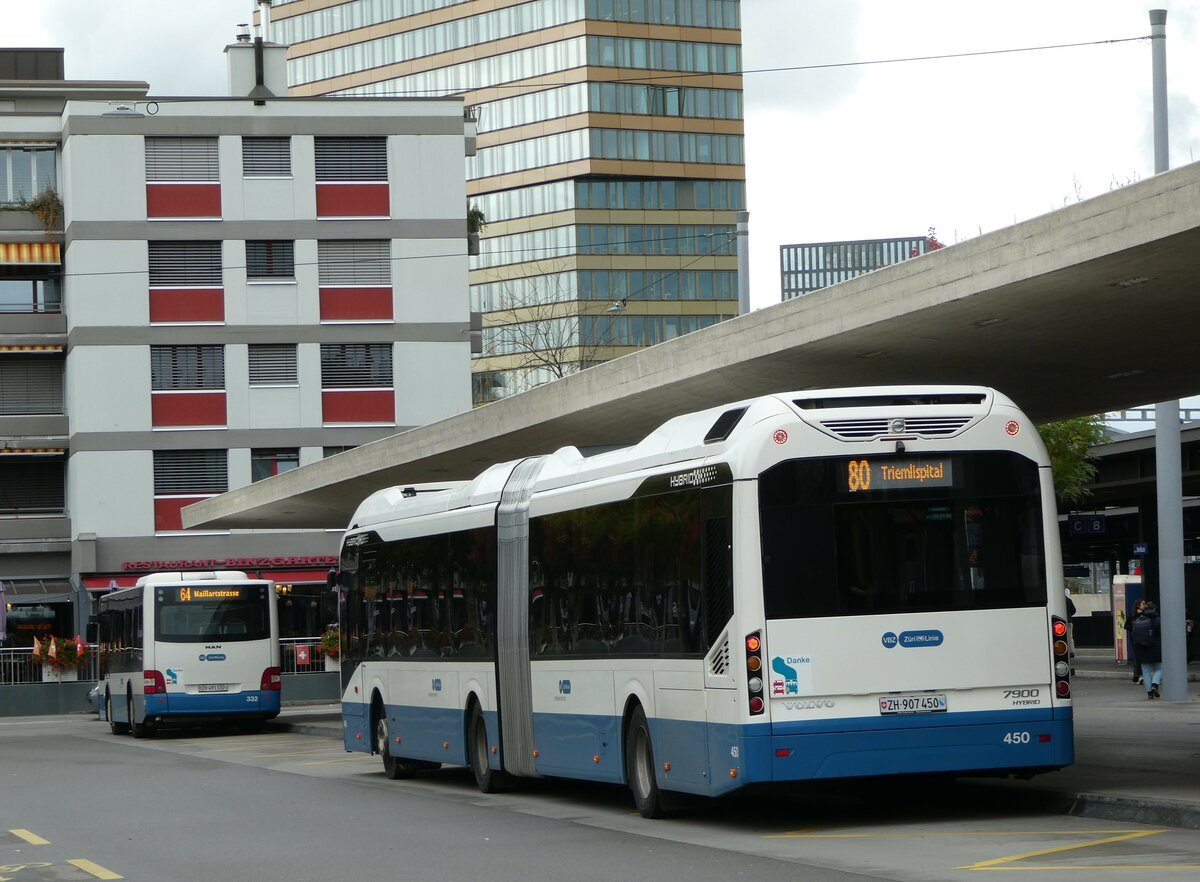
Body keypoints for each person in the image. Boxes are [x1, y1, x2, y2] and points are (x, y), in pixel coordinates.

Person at [1131, 600, 1163, 699]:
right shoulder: (1158, 619)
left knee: (1146, 671)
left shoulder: (1139, 619)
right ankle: (1155, 685)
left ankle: (1149, 693)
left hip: (1142, 649)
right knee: (1160, 668)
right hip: (1156, 648)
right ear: (1154, 609)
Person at [1124, 598, 1148, 684]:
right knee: (1137, 658)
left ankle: (1139, 674)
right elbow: (1126, 626)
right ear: (1138, 605)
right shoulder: (1132, 615)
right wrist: (1134, 628)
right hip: (1135, 639)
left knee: (1142, 657)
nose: (1145, 606)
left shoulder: (1146, 614)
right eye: (1143, 604)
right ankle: (1138, 674)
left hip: (1144, 639)